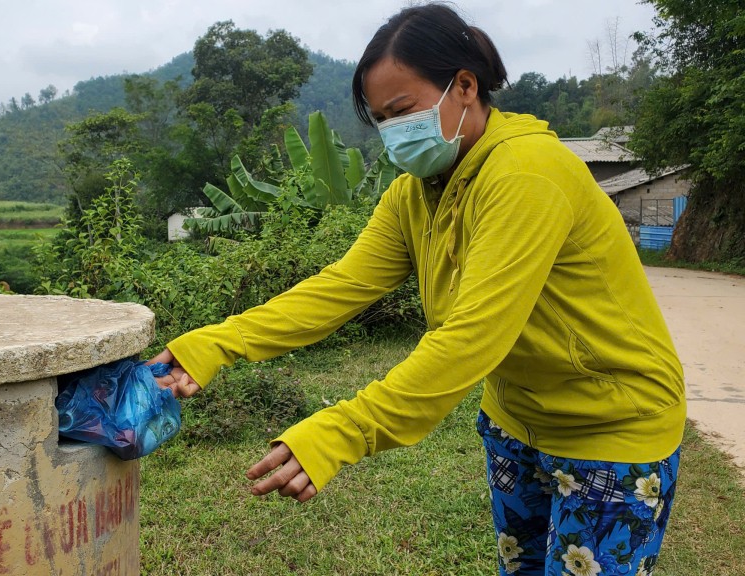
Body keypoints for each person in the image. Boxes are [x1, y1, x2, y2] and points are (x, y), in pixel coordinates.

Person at [150, 3, 685, 574]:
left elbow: (470, 338)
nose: (394, 132)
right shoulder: (416, 192)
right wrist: (214, 342)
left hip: (614, 431)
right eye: (381, 119)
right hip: (516, 423)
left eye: (402, 110)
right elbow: (341, 286)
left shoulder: (526, 175)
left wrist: (341, 431)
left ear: (464, 86)